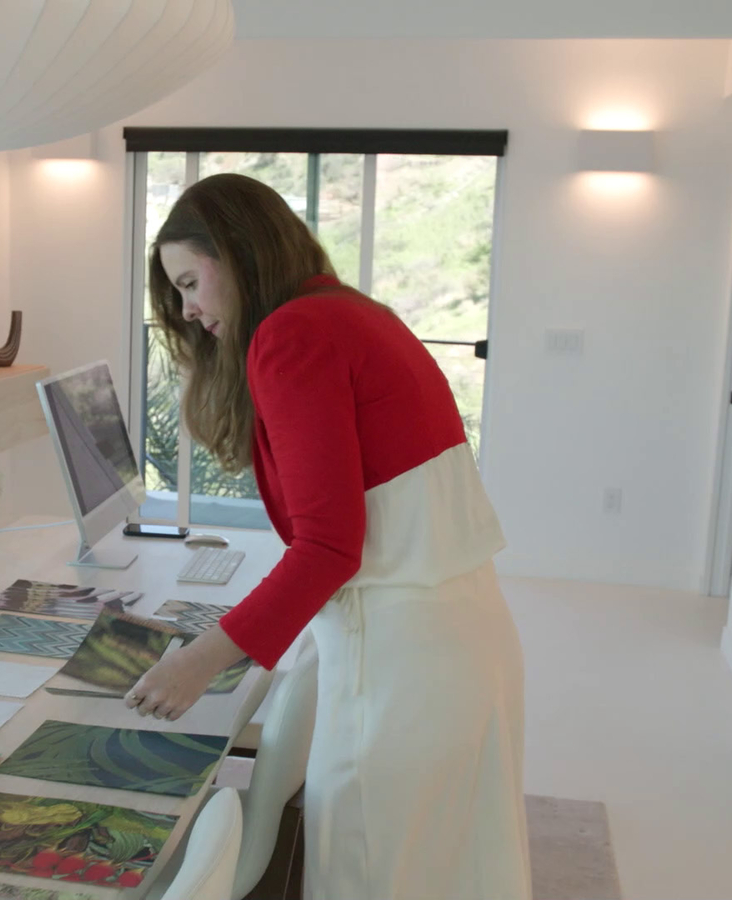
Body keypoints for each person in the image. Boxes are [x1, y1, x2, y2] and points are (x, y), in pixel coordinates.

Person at [125, 172, 531, 900]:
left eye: (190, 283)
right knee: (456, 868)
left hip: (400, 660)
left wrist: (200, 661)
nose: (186, 311)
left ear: (237, 253)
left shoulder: (293, 334)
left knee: (367, 871)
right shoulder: (353, 312)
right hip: (458, 640)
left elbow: (328, 547)